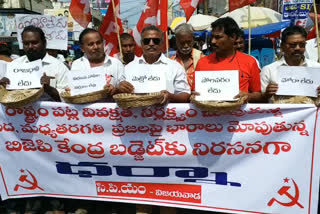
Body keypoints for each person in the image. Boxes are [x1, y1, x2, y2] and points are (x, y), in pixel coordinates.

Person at [193, 17, 262, 103]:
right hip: (208, 114)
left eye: (218, 37)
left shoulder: (249, 62)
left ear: (232, 37)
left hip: (239, 115)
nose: (213, 41)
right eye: (212, 37)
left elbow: (258, 95)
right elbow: (194, 93)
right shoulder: (202, 62)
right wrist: (195, 95)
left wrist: (248, 96)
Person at [118, 25, 191, 104]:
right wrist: (120, 88)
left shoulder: (175, 67)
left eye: (156, 41)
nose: (151, 43)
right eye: (147, 41)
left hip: (165, 115)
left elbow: (185, 94)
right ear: (141, 43)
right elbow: (120, 93)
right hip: (136, 114)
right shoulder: (129, 68)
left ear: (162, 43)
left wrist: (170, 96)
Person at [0, 25, 68, 102]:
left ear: (44, 43)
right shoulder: (15, 64)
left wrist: (48, 89)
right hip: (19, 112)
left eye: (34, 42)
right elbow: (6, 97)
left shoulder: (59, 67)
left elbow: (68, 98)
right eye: (26, 43)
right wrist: (3, 87)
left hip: (47, 112)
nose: (30, 47)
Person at [260, 25, 320, 102]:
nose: (297, 48)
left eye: (302, 45)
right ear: (282, 46)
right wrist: (266, 94)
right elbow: (260, 101)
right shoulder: (269, 70)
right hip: (279, 113)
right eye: (293, 45)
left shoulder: (317, 68)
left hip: (311, 114)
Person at [70, 28, 124, 97]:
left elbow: (124, 90)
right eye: (90, 44)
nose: (95, 47)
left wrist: (116, 90)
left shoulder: (116, 64)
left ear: (103, 43)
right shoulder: (77, 65)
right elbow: (75, 90)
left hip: (110, 106)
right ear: (82, 48)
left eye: (98, 43)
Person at [170, 23, 203, 88]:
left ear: (193, 40)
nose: (186, 46)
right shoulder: (170, 62)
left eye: (188, 42)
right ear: (176, 41)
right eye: (182, 43)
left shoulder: (202, 58)